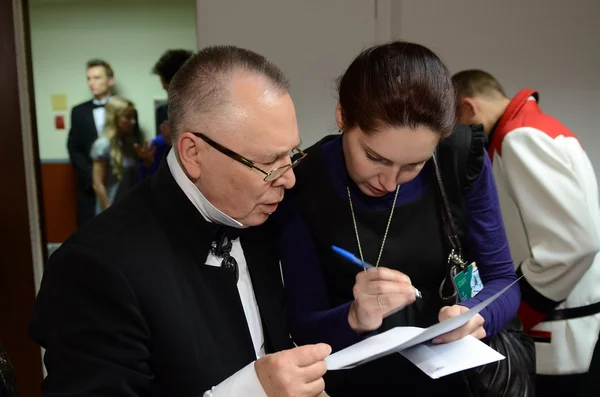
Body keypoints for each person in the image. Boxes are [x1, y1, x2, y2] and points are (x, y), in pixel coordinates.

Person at [30, 45, 331, 397]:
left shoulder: (260, 213)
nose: (289, 179)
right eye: (268, 162)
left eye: (291, 154)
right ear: (193, 153)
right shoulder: (93, 268)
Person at [273, 41, 520, 396]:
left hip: (454, 382)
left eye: (413, 166)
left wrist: (473, 316)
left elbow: (502, 280)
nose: (388, 183)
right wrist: (354, 317)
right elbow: (303, 326)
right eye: (375, 157)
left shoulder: (459, 160)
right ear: (343, 116)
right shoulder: (302, 184)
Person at [453, 69, 600, 397]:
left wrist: (518, 309)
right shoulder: (541, 128)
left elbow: (575, 245)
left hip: (555, 326)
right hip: (570, 318)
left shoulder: (519, 137)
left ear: (468, 108)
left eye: (454, 122)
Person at [67, 59, 142, 225]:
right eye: (89, 78)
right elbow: (74, 148)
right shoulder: (78, 112)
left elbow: (134, 143)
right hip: (92, 185)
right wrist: (93, 180)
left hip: (124, 185)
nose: (91, 83)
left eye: (97, 78)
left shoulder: (127, 110)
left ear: (110, 80)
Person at [137, 49, 194, 180]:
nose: (168, 96)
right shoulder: (165, 112)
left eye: (167, 89)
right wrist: (148, 162)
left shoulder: (210, 112)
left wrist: (174, 143)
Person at [91, 96, 139, 214]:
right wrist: (109, 212)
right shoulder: (103, 145)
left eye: (132, 117)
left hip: (129, 209)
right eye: (127, 117)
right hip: (111, 210)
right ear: (115, 118)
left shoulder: (126, 143)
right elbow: (97, 184)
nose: (132, 121)